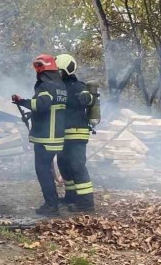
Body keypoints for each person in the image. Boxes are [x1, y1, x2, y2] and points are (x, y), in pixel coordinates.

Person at [12, 54, 68, 215]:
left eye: (38, 67)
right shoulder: (60, 86)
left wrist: (22, 102)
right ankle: (53, 202)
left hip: (46, 138)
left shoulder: (45, 86)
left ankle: (51, 205)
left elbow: (41, 105)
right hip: (57, 136)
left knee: (43, 171)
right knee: (47, 169)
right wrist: (32, 114)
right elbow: (51, 109)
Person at [55, 54, 95, 212]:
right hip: (64, 134)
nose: (56, 74)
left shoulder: (78, 86)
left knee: (77, 166)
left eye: (58, 71)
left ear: (65, 70)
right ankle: (71, 197)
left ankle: (86, 203)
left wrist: (87, 97)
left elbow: (89, 98)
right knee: (64, 165)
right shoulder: (60, 88)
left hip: (77, 134)